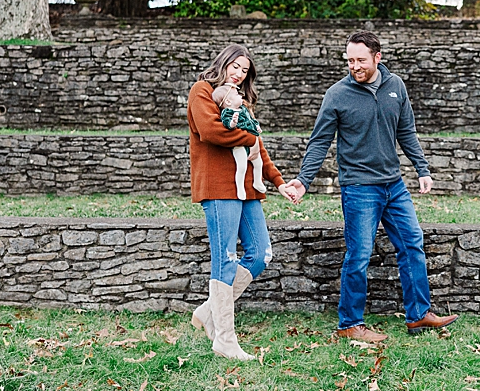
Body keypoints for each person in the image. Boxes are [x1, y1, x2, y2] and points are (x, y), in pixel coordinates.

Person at [286, 30, 458, 342]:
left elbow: (406, 131)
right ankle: (350, 323)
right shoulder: (337, 95)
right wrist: (303, 180)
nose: (354, 65)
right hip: (360, 188)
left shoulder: (396, 86)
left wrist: (422, 168)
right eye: (350, 60)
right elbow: (319, 141)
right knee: (359, 255)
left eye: (361, 60)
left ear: (377, 58)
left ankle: (418, 315)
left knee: (412, 244)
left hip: (394, 185)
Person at [187, 44, 298, 360]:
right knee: (225, 258)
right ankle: (224, 339)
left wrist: (279, 181)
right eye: (234, 66)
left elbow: (257, 148)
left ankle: (210, 311)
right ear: (222, 63)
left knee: (262, 254)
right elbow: (211, 132)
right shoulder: (202, 91)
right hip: (219, 188)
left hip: (248, 189)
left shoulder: (240, 102)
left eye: (244, 70)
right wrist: (250, 136)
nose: (238, 73)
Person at [211, 82, 265, 199]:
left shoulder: (243, 109)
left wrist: (256, 126)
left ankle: (257, 181)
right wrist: (233, 123)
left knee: (259, 163)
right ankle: (240, 187)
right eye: (236, 95)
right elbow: (227, 124)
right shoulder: (228, 112)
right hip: (239, 145)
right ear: (229, 102)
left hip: (251, 142)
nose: (240, 96)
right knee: (242, 166)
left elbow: (251, 120)